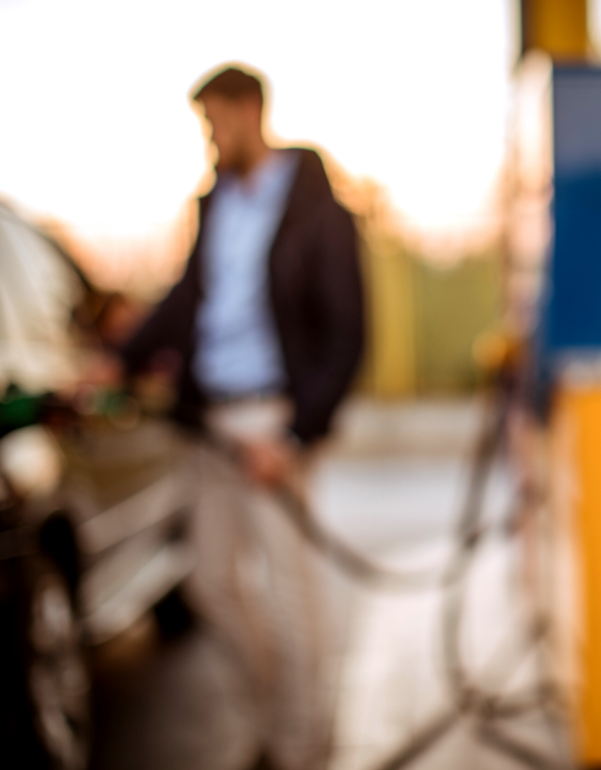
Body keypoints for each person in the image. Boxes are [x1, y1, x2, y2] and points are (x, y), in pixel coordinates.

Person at [118, 64, 364, 770]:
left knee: (292, 595)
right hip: (210, 424)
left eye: (214, 121)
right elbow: (186, 300)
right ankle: (270, 725)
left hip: (272, 420)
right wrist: (120, 358)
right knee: (210, 584)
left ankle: (304, 749)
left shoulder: (318, 208)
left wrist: (293, 436)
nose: (209, 138)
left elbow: (349, 334)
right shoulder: (215, 204)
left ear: (250, 110)